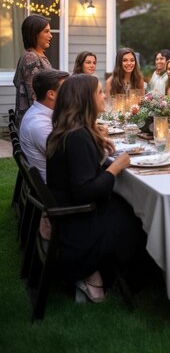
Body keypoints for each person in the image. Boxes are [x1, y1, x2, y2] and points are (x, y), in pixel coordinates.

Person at [46, 74, 146, 302]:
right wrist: (116, 167)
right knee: (139, 219)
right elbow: (85, 190)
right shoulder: (77, 137)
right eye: (100, 92)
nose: (105, 96)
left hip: (70, 214)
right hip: (80, 222)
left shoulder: (69, 131)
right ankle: (95, 273)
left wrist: (100, 151)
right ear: (85, 100)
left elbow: (78, 173)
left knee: (128, 205)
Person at [19, 68, 69, 181]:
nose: (70, 93)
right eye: (66, 89)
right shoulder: (39, 125)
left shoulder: (41, 113)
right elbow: (71, 158)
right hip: (57, 186)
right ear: (51, 94)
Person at [13, 14, 53, 127]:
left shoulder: (39, 56)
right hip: (36, 124)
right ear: (34, 34)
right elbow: (34, 96)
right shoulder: (31, 58)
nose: (50, 36)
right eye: (46, 31)